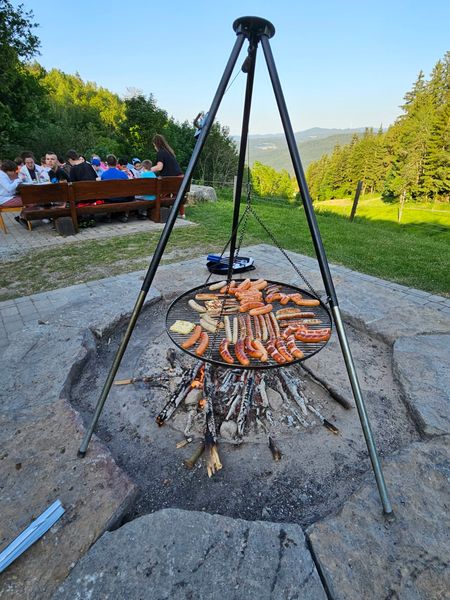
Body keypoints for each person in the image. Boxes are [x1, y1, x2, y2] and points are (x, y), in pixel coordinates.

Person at [151, 134, 185, 218]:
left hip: (170, 179)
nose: (154, 147)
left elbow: (159, 167)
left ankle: (163, 213)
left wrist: (148, 169)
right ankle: (182, 214)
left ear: (156, 144)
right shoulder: (169, 152)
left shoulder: (160, 152)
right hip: (180, 177)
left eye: (154, 145)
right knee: (178, 196)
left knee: (163, 195)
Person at [101, 154, 132, 223]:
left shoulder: (104, 175)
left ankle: (108, 216)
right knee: (129, 194)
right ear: (116, 163)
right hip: (122, 198)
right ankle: (125, 215)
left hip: (109, 199)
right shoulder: (123, 174)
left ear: (107, 163)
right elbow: (128, 187)